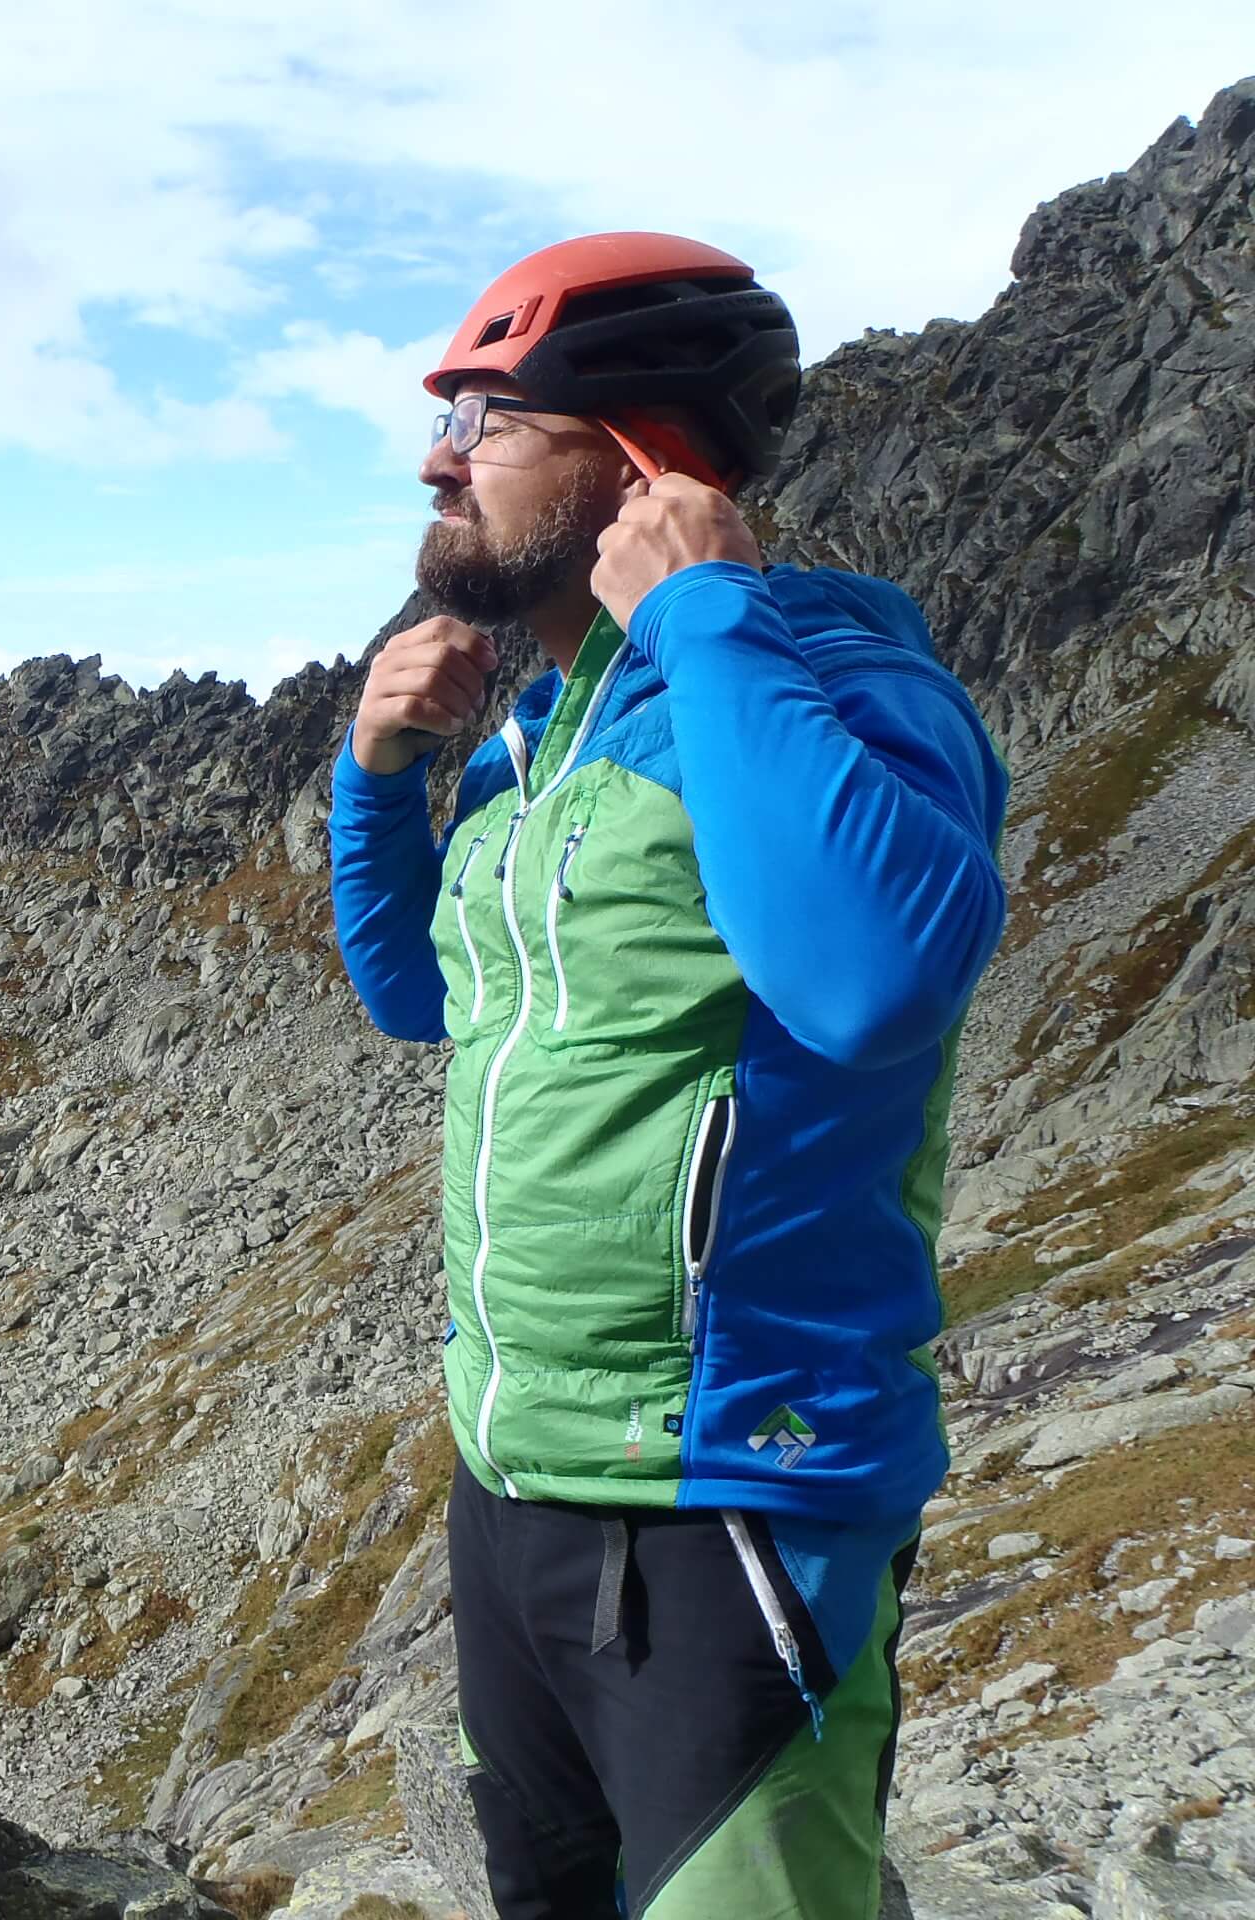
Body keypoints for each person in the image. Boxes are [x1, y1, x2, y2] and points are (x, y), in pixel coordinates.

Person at [327, 233, 1010, 1918]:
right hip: (514, 1479)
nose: (437, 460)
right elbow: (424, 997)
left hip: (733, 1497)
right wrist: (375, 777)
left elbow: (872, 981)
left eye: (484, 419)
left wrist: (704, 608)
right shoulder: (541, 735)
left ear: (633, 452)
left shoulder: (832, 684)